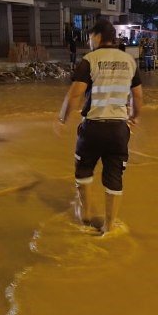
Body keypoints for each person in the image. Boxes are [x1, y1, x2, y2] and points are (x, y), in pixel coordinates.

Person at [57, 19, 143, 235]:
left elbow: (75, 94)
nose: (89, 42)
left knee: (83, 169)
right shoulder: (129, 61)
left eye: (90, 38)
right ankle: (109, 226)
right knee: (114, 176)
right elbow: (138, 96)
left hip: (93, 128)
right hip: (119, 130)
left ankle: (86, 214)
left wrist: (62, 119)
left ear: (97, 37)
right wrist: (134, 116)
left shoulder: (90, 60)